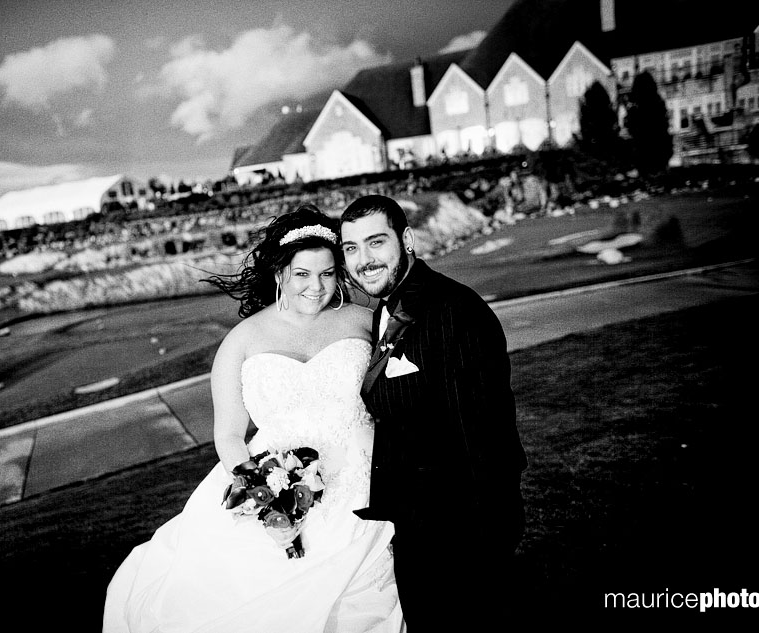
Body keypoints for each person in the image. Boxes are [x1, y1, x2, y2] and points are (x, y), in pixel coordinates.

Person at [103, 205, 405, 632]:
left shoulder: (365, 321)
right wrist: (265, 503)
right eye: (302, 274)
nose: (316, 287)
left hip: (368, 484)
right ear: (280, 273)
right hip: (278, 484)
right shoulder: (241, 341)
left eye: (327, 273)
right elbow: (228, 435)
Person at [339, 195, 528, 628]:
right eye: (351, 248)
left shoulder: (455, 312)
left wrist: (489, 539)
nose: (363, 260)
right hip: (414, 530)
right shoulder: (384, 310)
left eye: (375, 243)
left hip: (460, 534)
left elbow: (485, 436)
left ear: (405, 240)